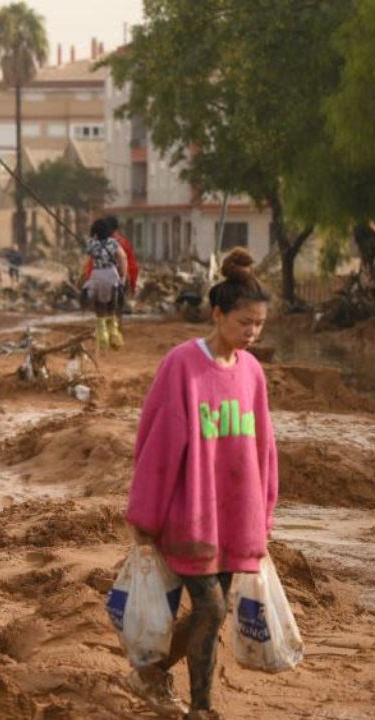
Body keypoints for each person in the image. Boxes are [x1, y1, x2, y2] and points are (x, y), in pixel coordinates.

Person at [124, 247, 278, 719]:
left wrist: (263, 512)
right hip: (190, 513)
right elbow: (159, 443)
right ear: (217, 314)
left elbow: (263, 448)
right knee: (210, 609)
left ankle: (160, 678)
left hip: (233, 516)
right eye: (242, 323)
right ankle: (199, 706)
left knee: (213, 612)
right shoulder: (182, 365)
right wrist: (145, 516)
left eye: (258, 324)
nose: (251, 333)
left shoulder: (252, 373)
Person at [79, 219, 128, 350]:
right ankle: (115, 337)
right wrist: (123, 277)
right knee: (112, 307)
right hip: (111, 275)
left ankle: (102, 340)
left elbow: (85, 263)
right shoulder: (114, 243)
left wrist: (82, 277)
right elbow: (123, 258)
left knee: (99, 308)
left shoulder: (91, 244)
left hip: (96, 276)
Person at [106, 216, 140, 314]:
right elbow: (133, 266)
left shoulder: (100, 243)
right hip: (122, 281)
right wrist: (132, 286)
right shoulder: (124, 242)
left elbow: (92, 267)